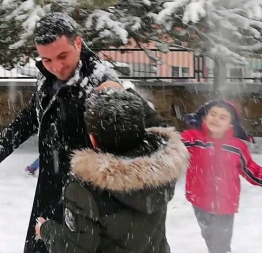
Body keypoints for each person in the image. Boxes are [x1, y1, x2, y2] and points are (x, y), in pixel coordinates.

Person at [0, 12, 155, 253]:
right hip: (50, 184)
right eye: (46, 59)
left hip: (85, 196)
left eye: (62, 56)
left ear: (77, 43)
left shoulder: (101, 82)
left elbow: (128, 138)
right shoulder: (48, 75)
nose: (56, 67)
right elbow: (32, 115)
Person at [35, 89, 188, 253]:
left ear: (92, 139)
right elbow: (162, 126)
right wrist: (126, 93)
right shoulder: (161, 167)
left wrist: (46, 230)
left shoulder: (84, 188)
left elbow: (75, 248)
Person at [181, 100, 262, 253]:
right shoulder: (192, 139)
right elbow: (169, 148)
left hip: (225, 204)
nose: (216, 119)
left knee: (220, 246)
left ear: (231, 125)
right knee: (210, 239)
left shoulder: (237, 147)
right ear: (204, 118)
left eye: (223, 117)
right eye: (213, 114)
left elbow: (253, 172)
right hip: (199, 201)